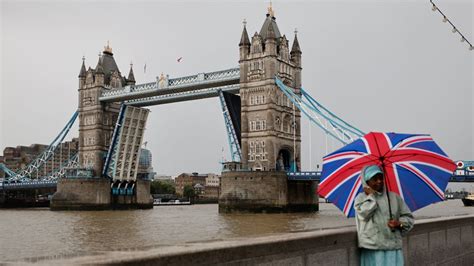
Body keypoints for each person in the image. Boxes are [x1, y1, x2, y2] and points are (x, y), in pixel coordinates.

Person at [354, 165, 414, 266]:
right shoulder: (361, 198)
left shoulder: (394, 197)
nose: (379, 181)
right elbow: (364, 214)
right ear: (366, 182)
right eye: (374, 179)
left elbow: (409, 218)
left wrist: (399, 224)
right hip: (372, 249)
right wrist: (371, 196)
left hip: (393, 248)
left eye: (381, 177)